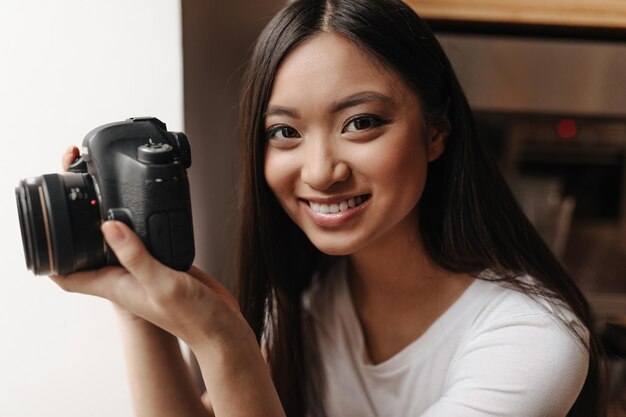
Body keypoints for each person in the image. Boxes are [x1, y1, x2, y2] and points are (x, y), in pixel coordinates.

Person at [54, 0, 605, 416]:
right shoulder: (307, 302)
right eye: (285, 131)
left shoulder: (533, 337)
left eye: (361, 123)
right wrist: (134, 294)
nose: (320, 171)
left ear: (437, 130)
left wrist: (225, 340)